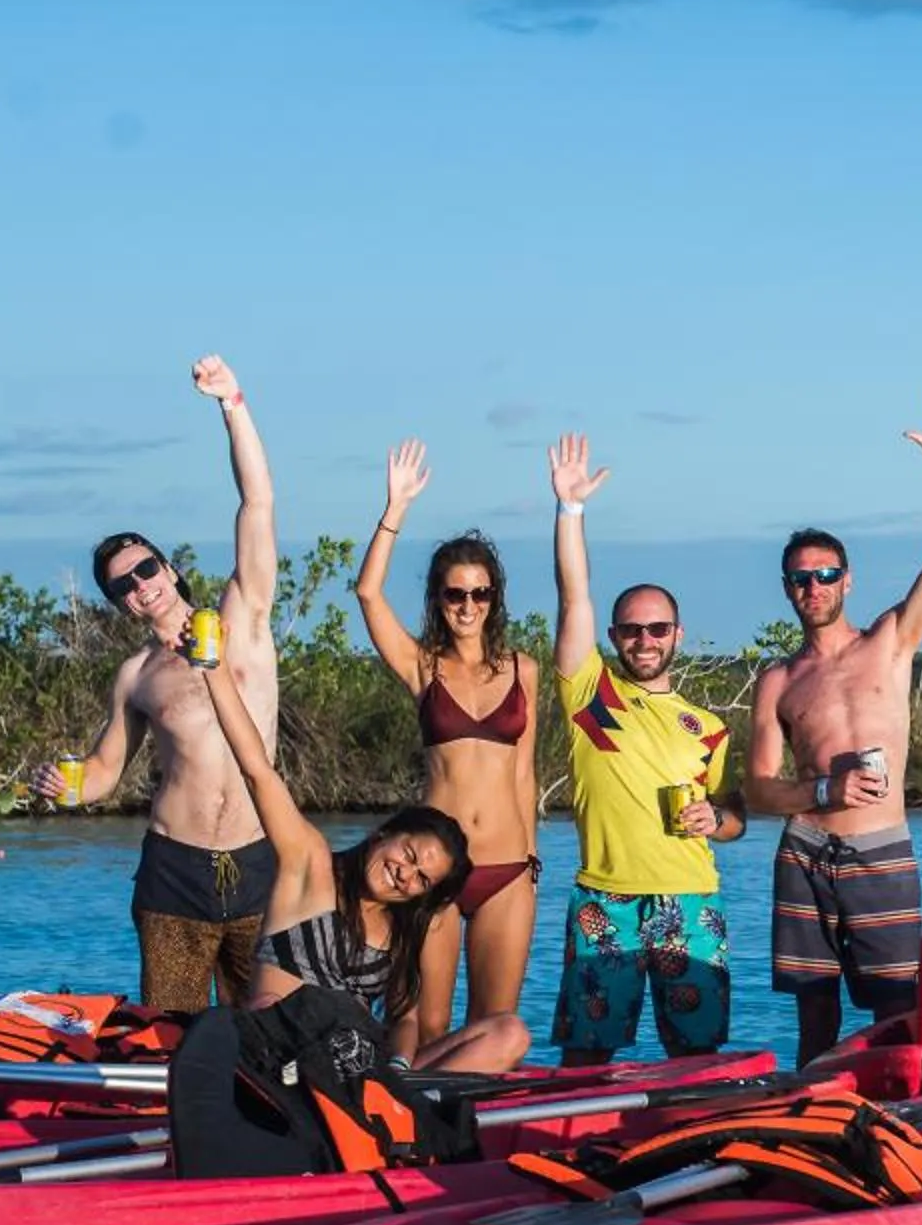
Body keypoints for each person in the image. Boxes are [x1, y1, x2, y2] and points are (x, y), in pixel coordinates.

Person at [31, 356, 281, 1012]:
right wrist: (65, 786)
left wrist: (232, 404)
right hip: (174, 871)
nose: (141, 585)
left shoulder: (244, 617)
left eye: (146, 569)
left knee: (272, 1034)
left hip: (261, 859)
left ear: (168, 568)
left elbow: (257, 502)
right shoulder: (136, 675)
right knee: (171, 1040)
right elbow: (103, 772)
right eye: (124, 584)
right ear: (121, 604)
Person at [745, 389, 922, 1064]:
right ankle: (808, 1109)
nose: (813, 587)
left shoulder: (889, 642)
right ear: (786, 588)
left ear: (847, 581)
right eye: (801, 578)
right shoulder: (778, 680)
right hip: (804, 853)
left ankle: (900, 1110)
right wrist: (823, 791)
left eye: (826, 575)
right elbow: (758, 788)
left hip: (880, 851)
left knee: (899, 1009)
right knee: (813, 1013)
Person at [192, 659, 527, 1071]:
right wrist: (213, 668)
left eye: (422, 879)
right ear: (385, 834)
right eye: (409, 855)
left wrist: (398, 1065)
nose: (405, 874)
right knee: (268, 1007)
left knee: (510, 1033)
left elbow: (405, 1019)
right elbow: (257, 772)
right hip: (285, 1062)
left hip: (359, 1070)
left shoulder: (401, 925)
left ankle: (400, 1101)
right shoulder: (310, 867)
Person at [545, 432, 749, 1067]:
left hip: (690, 899)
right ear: (613, 636)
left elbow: (735, 818)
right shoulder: (591, 696)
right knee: (586, 1056)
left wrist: (716, 819)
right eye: (632, 630)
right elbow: (573, 595)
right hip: (604, 899)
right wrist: (570, 510)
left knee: (698, 1054)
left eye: (657, 628)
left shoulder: (708, 727)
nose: (645, 639)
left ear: (677, 634)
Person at [352, 440, 543, 1058]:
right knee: (423, 1021)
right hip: (434, 871)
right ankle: (402, 1108)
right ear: (437, 598)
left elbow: (524, 772)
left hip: (508, 869)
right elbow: (367, 594)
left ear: (495, 599)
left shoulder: (523, 669)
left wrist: (532, 863)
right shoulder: (421, 666)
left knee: (495, 1025)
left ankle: (473, 1118)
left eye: (479, 594)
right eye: (455, 594)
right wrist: (395, 510)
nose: (467, 606)